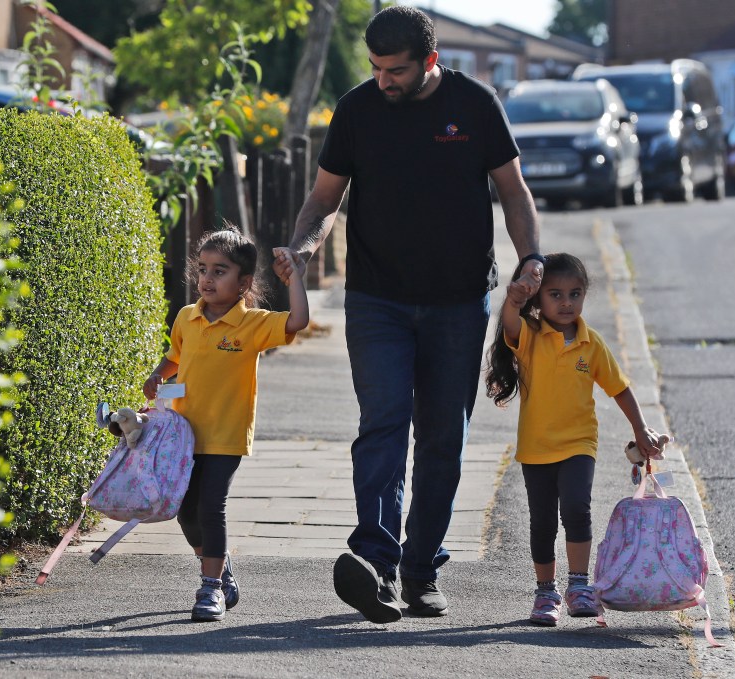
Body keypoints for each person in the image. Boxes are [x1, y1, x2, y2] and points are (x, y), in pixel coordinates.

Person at [273, 5, 543, 624]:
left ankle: (422, 569)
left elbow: (513, 190)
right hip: (377, 300)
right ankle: (375, 561)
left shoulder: (476, 106)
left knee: (443, 438)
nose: (383, 80)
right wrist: (303, 250)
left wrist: (531, 257)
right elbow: (322, 199)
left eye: (395, 70)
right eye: (375, 68)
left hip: (457, 301)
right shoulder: (357, 110)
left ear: (430, 60)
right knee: (384, 425)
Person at [484, 252, 667, 626]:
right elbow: (509, 323)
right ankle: (545, 591)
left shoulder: (591, 343)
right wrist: (515, 299)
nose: (566, 303)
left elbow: (619, 388)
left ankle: (579, 586)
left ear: (584, 296)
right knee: (542, 521)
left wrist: (640, 427)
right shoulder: (531, 336)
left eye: (575, 293)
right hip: (536, 448)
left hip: (579, 444)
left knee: (577, 511)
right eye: (556, 294)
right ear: (539, 297)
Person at [143, 228, 309, 622]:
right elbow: (176, 356)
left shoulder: (252, 324)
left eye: (220, 271)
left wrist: (296, 278)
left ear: (244, 283)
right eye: (203, 269)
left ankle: (210, 588)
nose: (207, 278)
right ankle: (220, 566)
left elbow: (299, 321)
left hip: (226, 436)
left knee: (211, 507)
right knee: (185, 511)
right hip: (182, 435)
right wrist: (156, 374)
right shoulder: (187, 316)